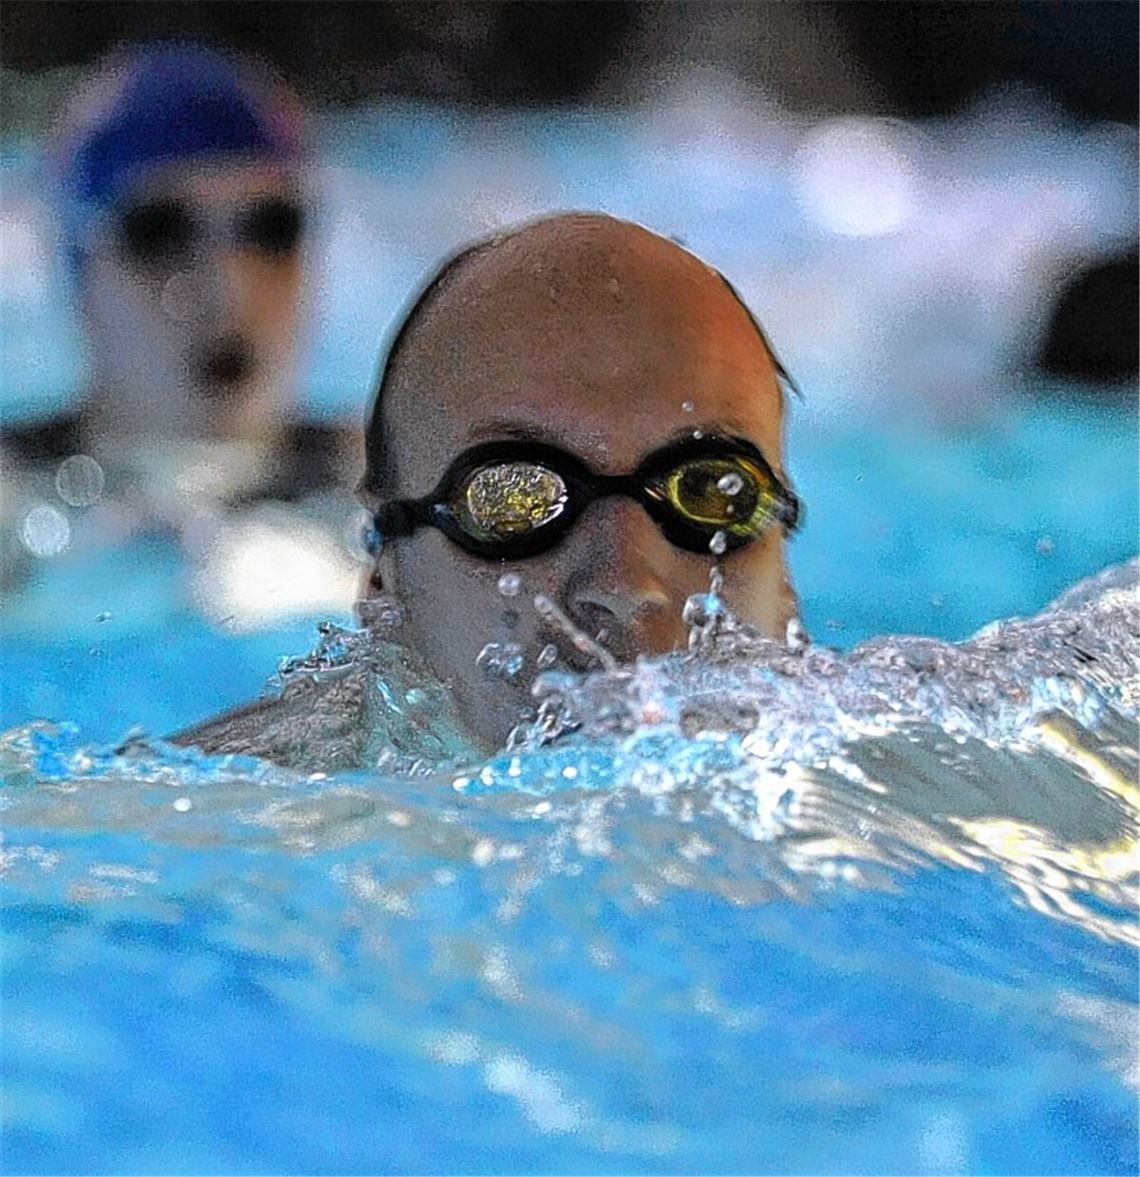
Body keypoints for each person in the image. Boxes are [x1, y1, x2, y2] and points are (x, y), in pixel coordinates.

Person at [176, 212, 804, 764]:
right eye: (515, 495)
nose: (623, 586)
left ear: (784, 585)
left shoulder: (884, 813)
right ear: (382, 582)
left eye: (712, 491)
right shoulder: (203, 829)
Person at [1, 42, 360, 621]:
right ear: (80, 272)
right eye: (161, 233)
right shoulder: (14, 504)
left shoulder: (388, 483)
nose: (228, 285)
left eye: (272, 228)